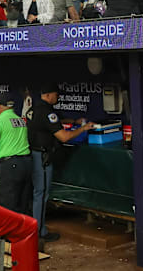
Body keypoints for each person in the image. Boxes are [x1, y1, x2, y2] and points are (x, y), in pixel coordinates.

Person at [27, 84, 95, 242]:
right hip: (42, 158)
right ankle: (39, 232)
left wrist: (73, 120)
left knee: (38, 194)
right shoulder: (47, 112)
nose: (57, 97)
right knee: (41, 194)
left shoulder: (34, 109)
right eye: (56, 95)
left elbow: (53, 121)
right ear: (48, 95)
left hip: (34, 154)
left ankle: (38, 229)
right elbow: (64, 137)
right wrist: (83, 128)